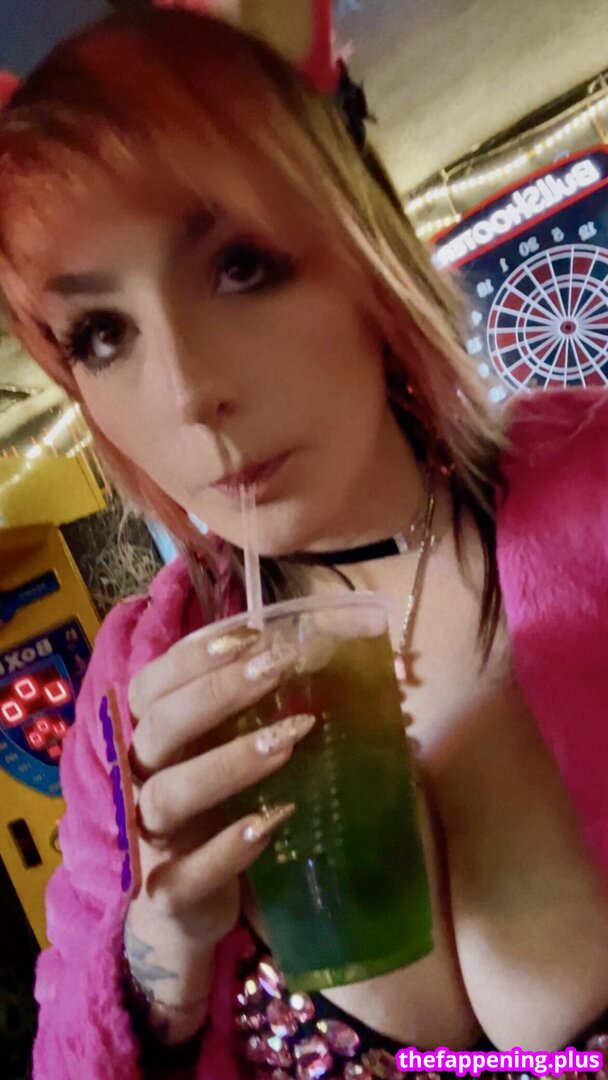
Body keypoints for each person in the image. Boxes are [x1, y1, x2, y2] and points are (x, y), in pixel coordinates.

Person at [1, 6, 608, 1079]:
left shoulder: (593, 494)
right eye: (101, 334)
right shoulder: (135, 696)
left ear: (363, 251)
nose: (188, 393)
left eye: (240, 266)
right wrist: (159, 963)